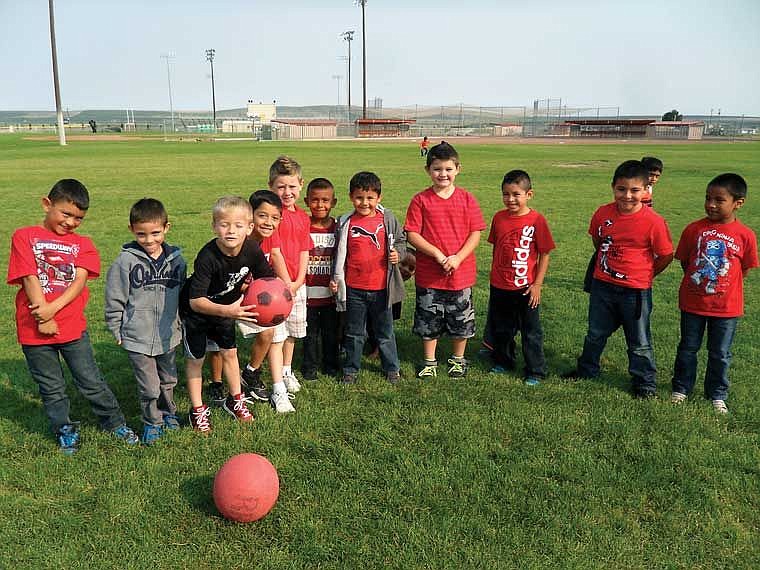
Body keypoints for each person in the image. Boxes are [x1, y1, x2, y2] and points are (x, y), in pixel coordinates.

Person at [7, 179, 139, 454]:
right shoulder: (24, 236)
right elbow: (29, 276)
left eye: (78, 218)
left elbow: (78, 282)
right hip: (33, 332)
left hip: (71, 328)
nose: (71, 222)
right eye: (66, 214)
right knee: (52, 388)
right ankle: (64, 429)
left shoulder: (83, 244)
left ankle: (114, 423)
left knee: (90, 381)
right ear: (47, 204)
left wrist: (51, 311)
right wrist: (43, 318)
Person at [565, 160, 674, 398]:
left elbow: (666, 254)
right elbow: (598, 240)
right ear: (613, 187)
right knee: (595, 333)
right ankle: (587, 370)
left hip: (635, 291)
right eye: (621, 189)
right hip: (603, 286)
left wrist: (646, 274)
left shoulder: (653, 221)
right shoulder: (603, 213)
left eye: (635, 190)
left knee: (639, 341)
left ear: (646, 190)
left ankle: (644, 384)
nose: (627, 196)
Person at [180, 196, 275, 432]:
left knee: (230, 354)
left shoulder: (252, 248)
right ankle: (198, 411)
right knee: (196, 360)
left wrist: (275, 301)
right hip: (197, 313)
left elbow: (267, 278)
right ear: (214, 226)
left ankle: (236, 400)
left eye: (238, 225)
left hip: (227, 309)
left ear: (249, 228)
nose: (231, 231)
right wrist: (230, 311)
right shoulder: (207, 256)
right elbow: (195, 301)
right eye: (224, 225)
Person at [671, 173, 758, 413]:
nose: (711, 204)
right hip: (693, 304)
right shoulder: (693, 229)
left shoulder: (745, 235)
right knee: (688, 347)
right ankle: (681, 388)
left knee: (720, 353)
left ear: (738, 203)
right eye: (708, 198)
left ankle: (717, 393)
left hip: (726, 308)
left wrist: (721, 283)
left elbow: (745, 268)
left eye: (719, 200)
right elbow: (686, 262)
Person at [104, 198, 186, 444]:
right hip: (136, 336)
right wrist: (116, 328)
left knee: (169, 380)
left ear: (166, 228)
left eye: (155, 233)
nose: (149, 240)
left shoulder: (177, 261)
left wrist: (182, 325)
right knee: (149, 386)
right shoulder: (125, 262)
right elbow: (114, 297)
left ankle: (168, 413)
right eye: (141, 234)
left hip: (169, 334)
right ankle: (152, 422)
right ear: (132, 230)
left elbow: (184, 296)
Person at [404, 141, 486, 379]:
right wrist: (437, 254)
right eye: (437, 169)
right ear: (428, 170)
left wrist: (458, 258)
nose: (443, 174)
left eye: (448, 169)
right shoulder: (420, 200)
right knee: (429, 320)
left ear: (458, 169)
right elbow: (412, 234)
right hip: (430, 274)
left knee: (461, 320)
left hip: (461, 274)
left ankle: (458, 359)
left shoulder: (467, 199)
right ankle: (429, 361)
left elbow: (475, 233)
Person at [331, 171, 406, 384]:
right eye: (359, 198)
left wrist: (398, 253)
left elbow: (402, 241)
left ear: (379, 198)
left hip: (382, 288)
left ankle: (392, 368)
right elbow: (338, 254)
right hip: (354, 289)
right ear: (350, 196)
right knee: (354, 333)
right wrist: (336, 279)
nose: (364, 203)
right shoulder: (346, 222)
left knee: (385, 332)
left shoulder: (387, 219)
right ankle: (351, 370)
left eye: (370, 198)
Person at [487, 170, 555, 386]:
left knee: (531, 331)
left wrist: (537, 284)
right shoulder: (499, 217)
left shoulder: (536, 220)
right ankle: (504, 361)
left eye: (516, 194)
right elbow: (497, 247)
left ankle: (535, 370)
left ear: (529, 194)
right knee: (502, 328)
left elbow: (545, 254)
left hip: (526, 288)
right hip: (500, 285)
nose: (511, 199)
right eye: (506, 194)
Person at [239, 190, 295, 413]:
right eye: (262, 216)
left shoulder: (267, 240)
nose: (268, 222)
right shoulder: (240, 241)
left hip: (256, 299)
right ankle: (234, 385)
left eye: (274, 218)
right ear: (250, 215)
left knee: (270, 333)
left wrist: (286, 286)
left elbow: (275, 259)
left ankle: (253, 373)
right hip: (230, 300)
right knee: (222, 350)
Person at [265, 156, 313, 395]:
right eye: (280, 186)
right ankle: (275, 376)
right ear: (270, 186)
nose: (286, 192)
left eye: (292, 186)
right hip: (276, 286)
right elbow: (275, 253)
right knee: (277, 334)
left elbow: (305, 249)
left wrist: (300, 279)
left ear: (301, 184)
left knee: (293, 332)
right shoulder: (272, 216)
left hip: (297, 283)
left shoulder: (303, 217)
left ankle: (287, 369)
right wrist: (287, 283)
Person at [302, 177, 340, 380]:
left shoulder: (338, 227)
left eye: (325, 200)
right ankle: (309, 367)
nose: (320, 205)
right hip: (307, 292)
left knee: (331, 332)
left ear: (333, 202)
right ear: (307, 201)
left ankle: (332, 365)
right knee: (310, 332)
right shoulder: (303, 226)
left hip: (331, 293)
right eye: (315, 200)